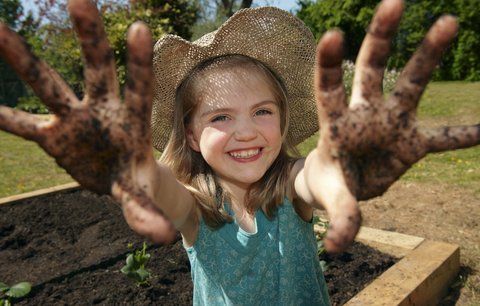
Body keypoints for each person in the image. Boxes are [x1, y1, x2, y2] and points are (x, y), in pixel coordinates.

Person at [0, 0, 478, 304]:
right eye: (220, 117)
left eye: (262, 111)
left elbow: (313, 176)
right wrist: (134, 168)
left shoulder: (292, 185)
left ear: (285, 118)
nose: (246, 132)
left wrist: (339, 172)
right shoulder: (195, 208)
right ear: (189, 135)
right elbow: (167, 193)